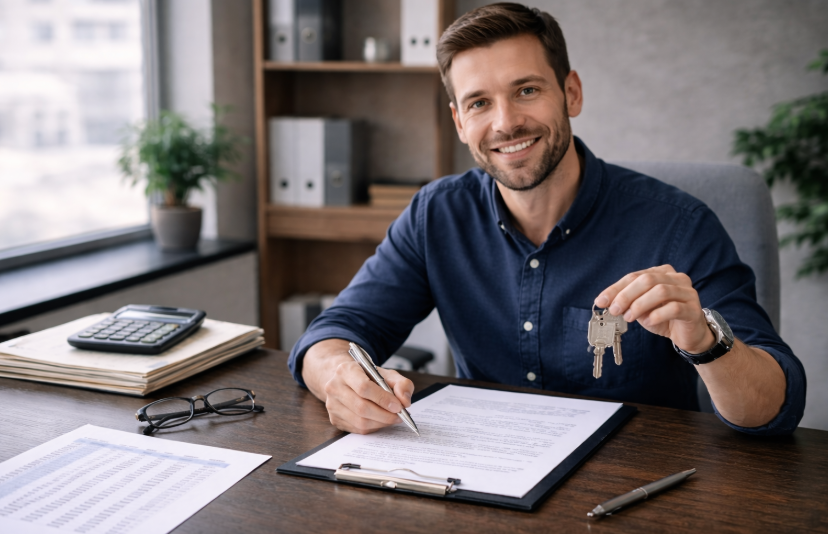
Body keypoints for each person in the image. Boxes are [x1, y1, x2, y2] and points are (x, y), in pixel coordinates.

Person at [288, 3, 806, 436]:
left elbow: (773, 408)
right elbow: (336, 331)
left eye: (527, 90)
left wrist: (706, 340)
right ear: (460, 122)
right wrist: (338, 375)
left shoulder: (680, 225)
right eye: (479, 103)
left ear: (571, 93)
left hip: (636, 487)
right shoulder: (436, 214)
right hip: (485, 476)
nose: (506, 121)